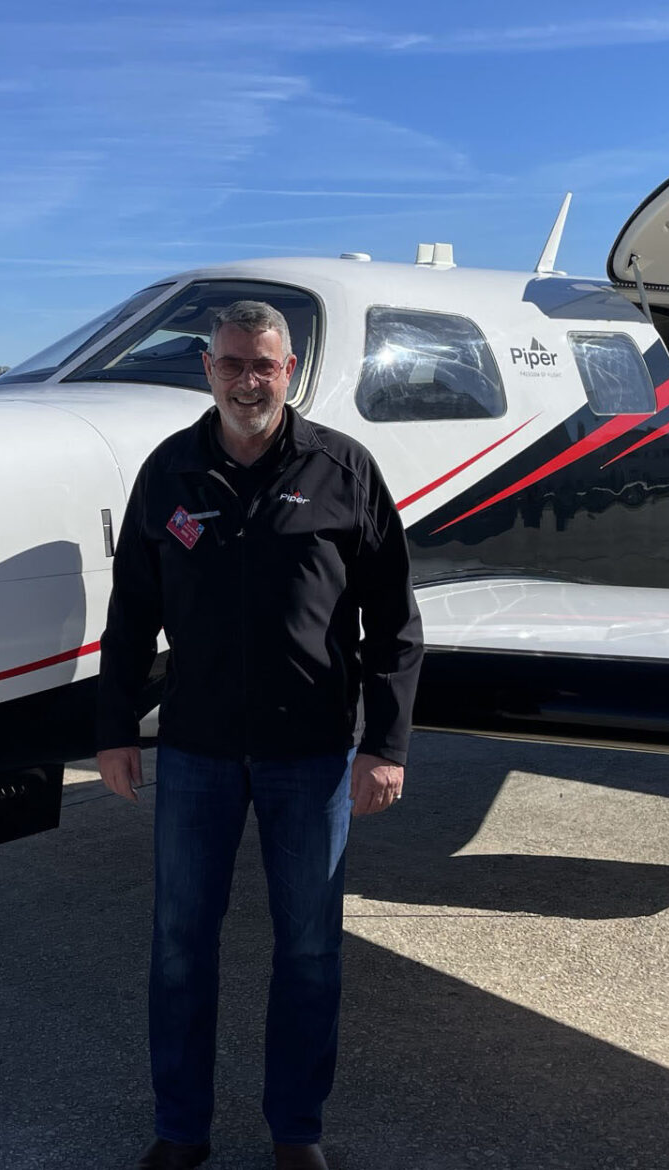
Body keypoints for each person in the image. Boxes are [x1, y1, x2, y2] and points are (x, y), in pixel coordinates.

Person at [96, 301, 424, 1170]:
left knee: (310, 949)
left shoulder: (343, 471)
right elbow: (130, 615)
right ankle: (181, 1128)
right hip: (197, 751)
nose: (249, 381)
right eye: (233, 364)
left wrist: (385, 745)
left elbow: (393, 622)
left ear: (290, 372)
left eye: (265, 366)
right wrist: (115, 730)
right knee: (178, 947)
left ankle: (296, 1131)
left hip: (310, 754)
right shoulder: (168, 474)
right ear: (207, 368)